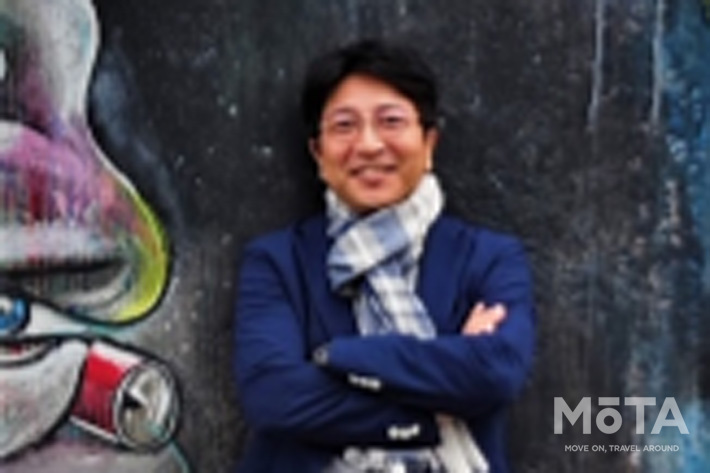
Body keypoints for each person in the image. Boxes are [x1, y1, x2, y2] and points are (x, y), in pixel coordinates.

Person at [233, 39, 536, 473]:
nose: (370, 144)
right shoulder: (277, 262)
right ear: (318, 153)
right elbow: (273, 396)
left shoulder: (488, 258)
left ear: (429, 143)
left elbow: (497, 371)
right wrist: (436, 405)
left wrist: (341, 358)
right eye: (344, 126)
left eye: (391, 121)